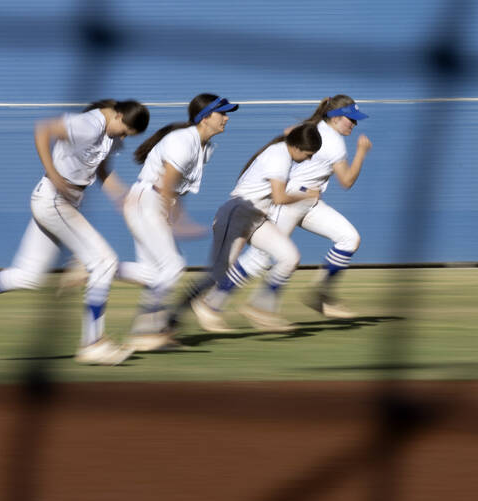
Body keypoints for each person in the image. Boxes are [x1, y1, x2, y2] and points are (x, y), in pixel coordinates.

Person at [0, 99, 150, 365]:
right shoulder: (89, 124)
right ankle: (92, 343)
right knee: (104, 262)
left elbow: (102, 170)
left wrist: (123, 196)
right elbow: (43, 129)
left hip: (63, 202)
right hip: (54, 200)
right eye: (124, 132)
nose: (123, 138)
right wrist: (53, 173)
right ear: (118, 116)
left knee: (29, 276)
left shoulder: (110, 132)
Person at [177, 122, 323, 333]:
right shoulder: (279, 156)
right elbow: (280, 197)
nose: (309, 158)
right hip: (235, 215)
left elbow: (290, 135)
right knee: (217, 274)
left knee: (289, 257)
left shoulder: (285, 150)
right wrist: (307, 194)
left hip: (255, 218)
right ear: (298, 148)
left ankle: (261, 308)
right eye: (308, 154)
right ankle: (175, 312)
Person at [120, 94, 238, 352]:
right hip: (148, 200)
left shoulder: (205, 146)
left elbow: (174, 189)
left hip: (151, 201)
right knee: (173, 265)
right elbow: (167, 185)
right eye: (222, 113)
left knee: (155, 273)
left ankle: (153, 330)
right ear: (205, 117)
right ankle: (144, 333)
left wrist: (174, 214)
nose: (227, 118)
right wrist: (178, 220)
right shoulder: (183, 140)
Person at [236, 95, 371, 319]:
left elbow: (290, 132)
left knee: (349, 238)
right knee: (260, 257)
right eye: (351, 119)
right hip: (290, 201)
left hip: (308, 201)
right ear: (336, 118)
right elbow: (346, 181)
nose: (354, 124)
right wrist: (361, 153)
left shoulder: (314, 127)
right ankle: (219, 300)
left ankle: (319, 294)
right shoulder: (334, 141)